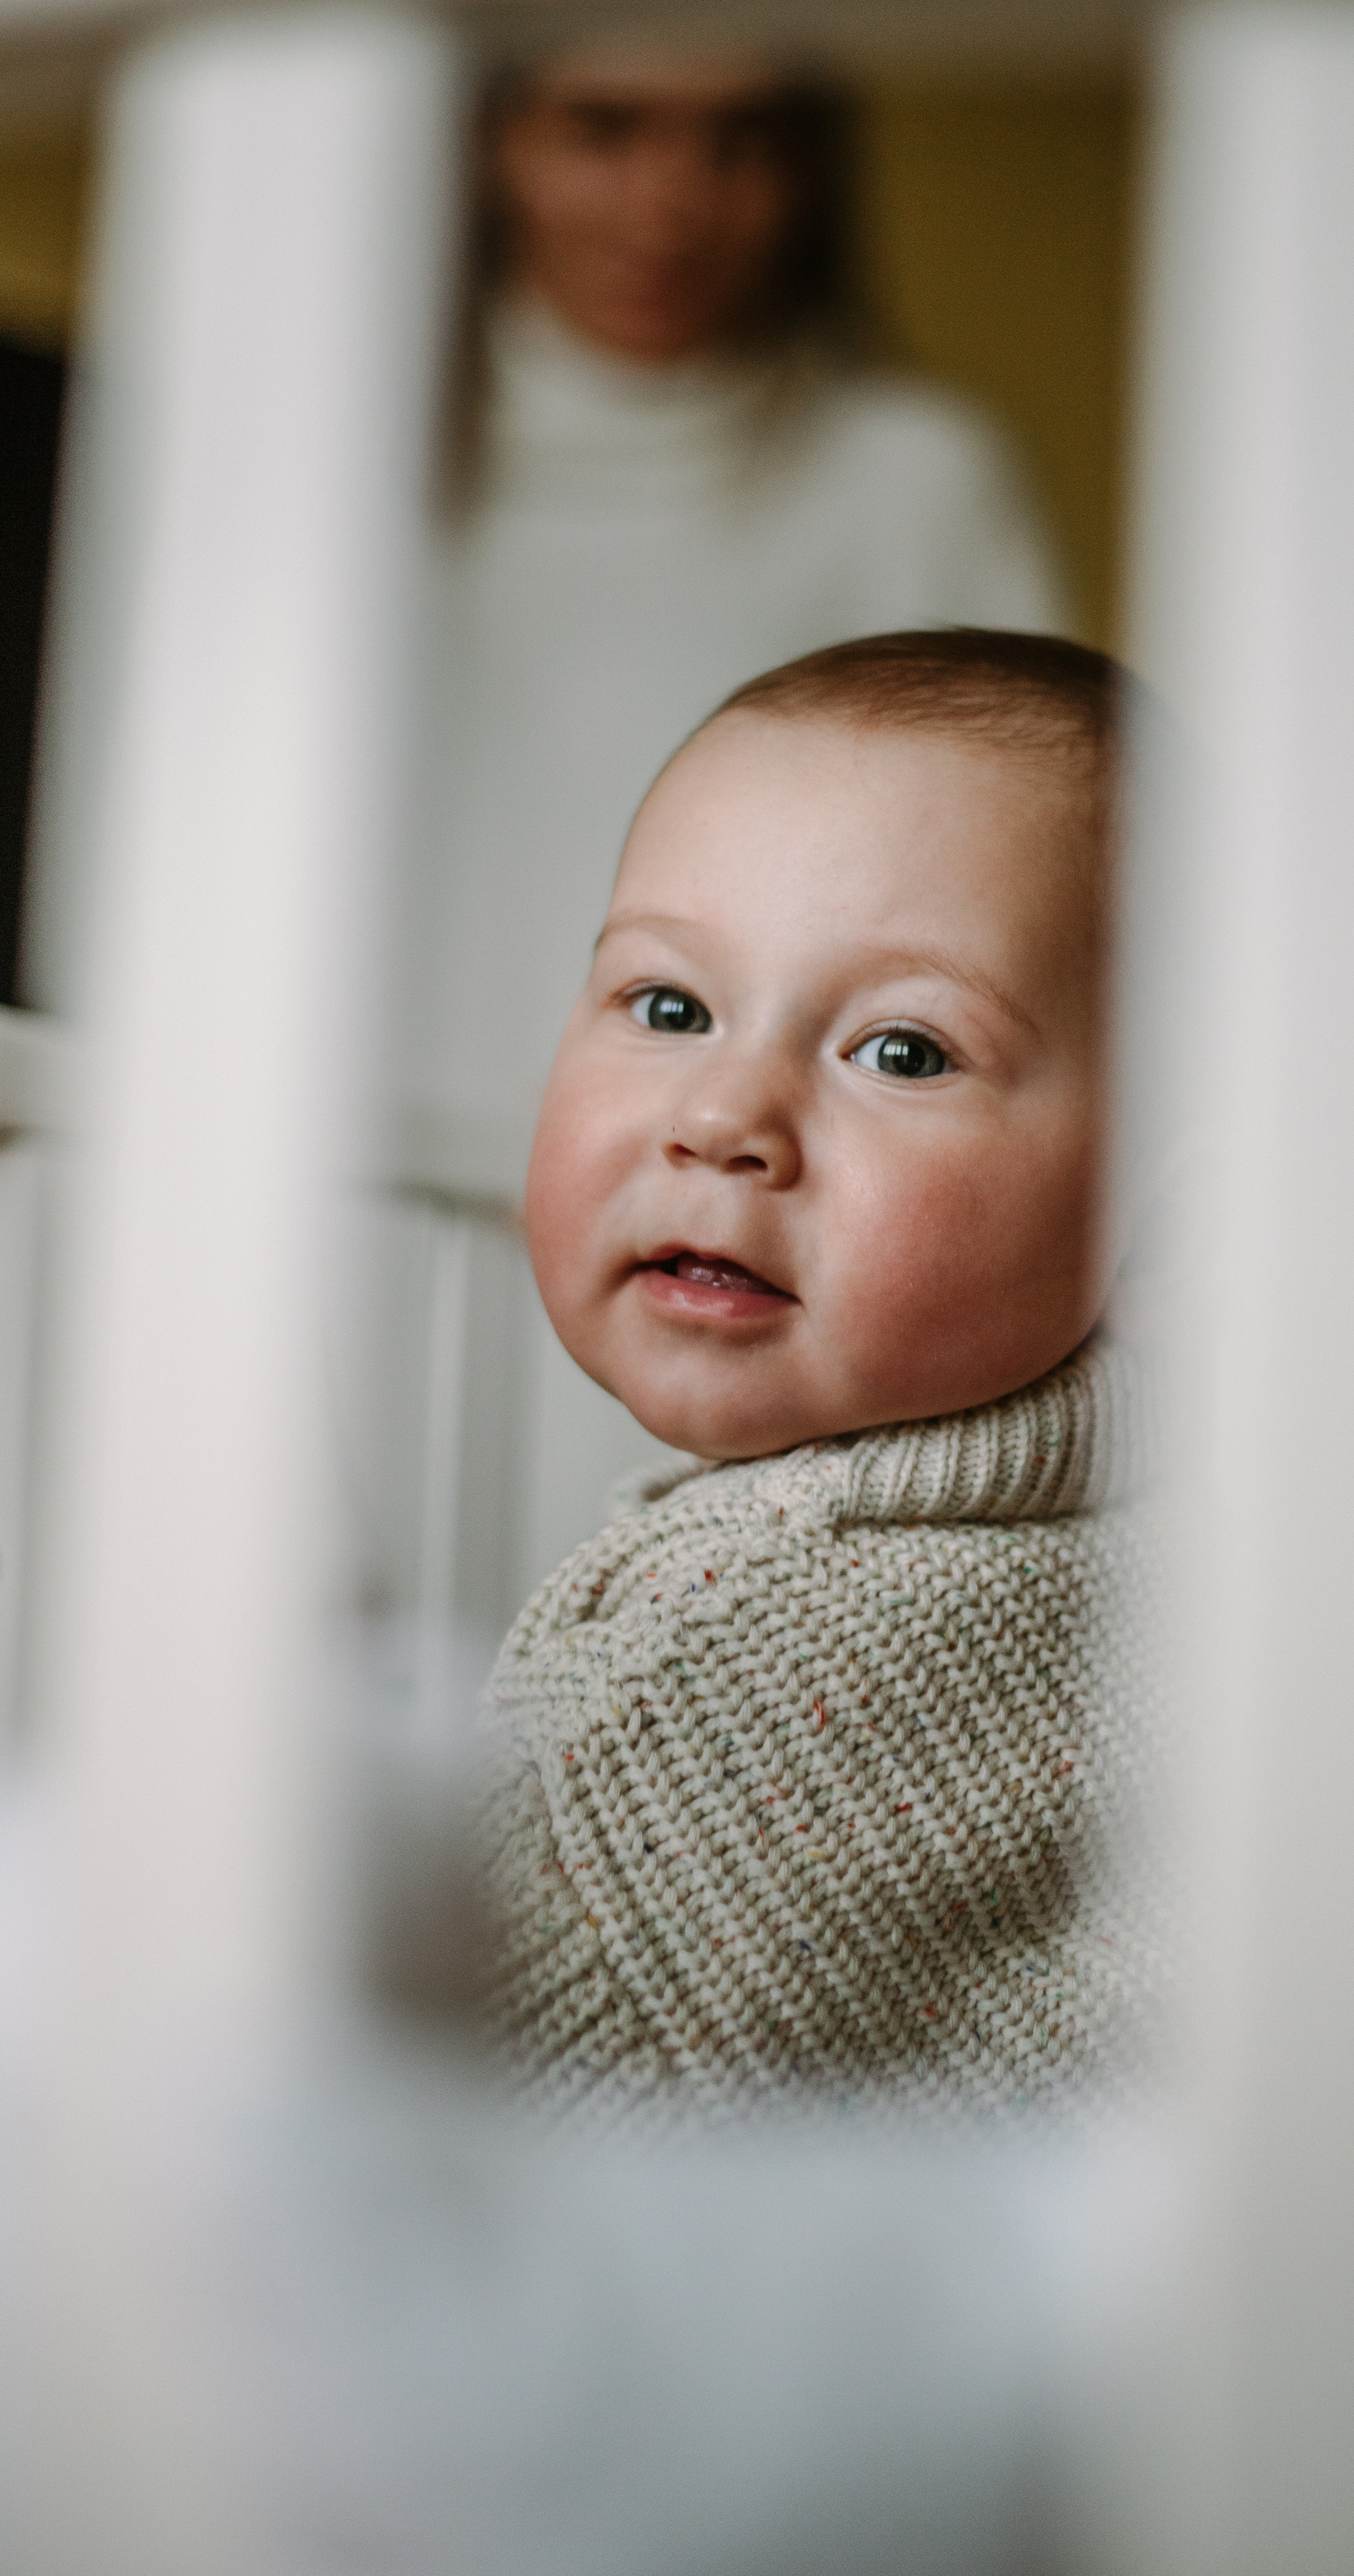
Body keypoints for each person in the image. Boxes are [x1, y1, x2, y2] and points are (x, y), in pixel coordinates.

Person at [472, 629, 1165, 2121]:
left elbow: (425, 2106)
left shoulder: (695, 1662)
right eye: (668, 1009)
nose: (725, 1114)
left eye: (902, 1051)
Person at [402, 51, 1071, 1582]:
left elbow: (1049, 925)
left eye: (739, 142)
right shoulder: (317, 461)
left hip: (810, 1263)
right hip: (376, 1208)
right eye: (602, 127)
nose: (668, 203)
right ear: (491, 139)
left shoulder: (912, 479)